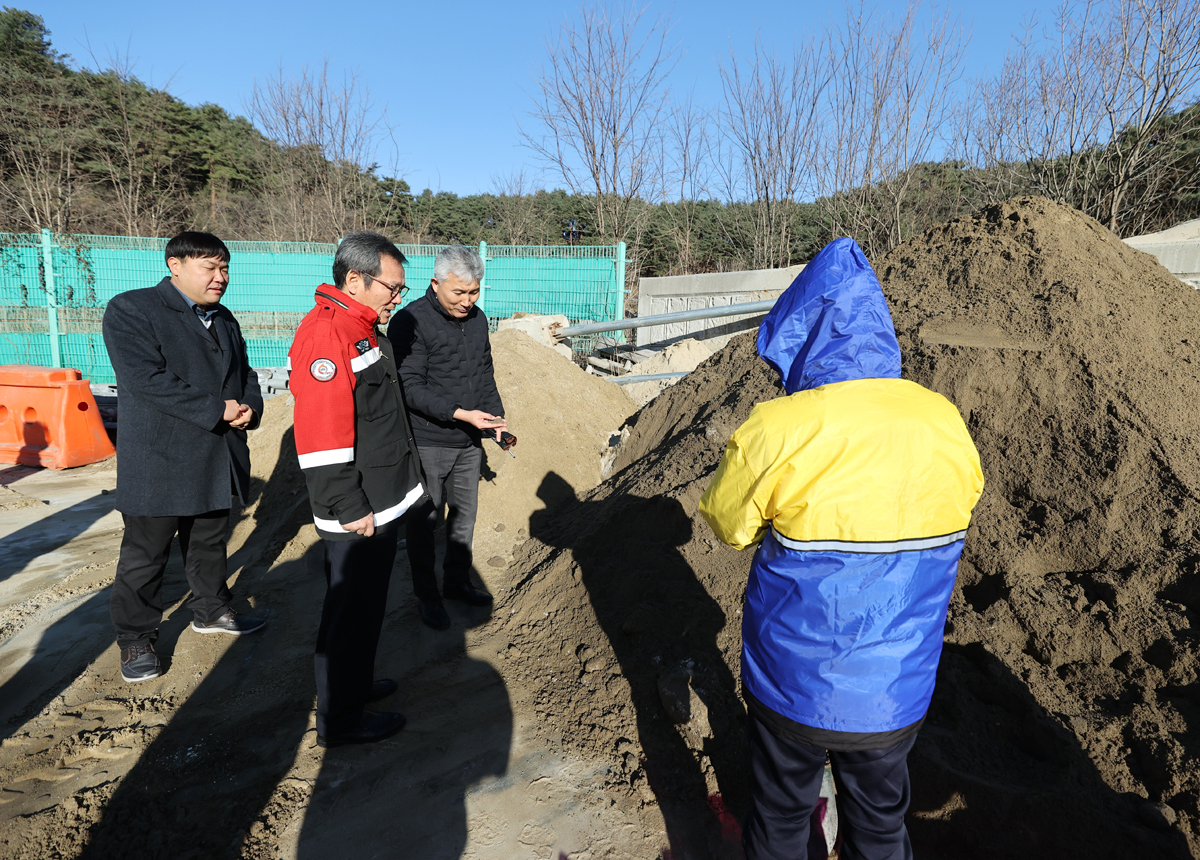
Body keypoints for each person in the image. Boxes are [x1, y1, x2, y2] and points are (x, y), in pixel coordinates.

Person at [699, 238, 984, 860]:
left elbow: (727, 524)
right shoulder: (943, 420)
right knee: (882, 826)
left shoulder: (779, 425)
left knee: (779, 817)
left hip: (790, 681)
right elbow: (963, 505)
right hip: (895, 688)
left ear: (801, 335)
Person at [102, 231, 266, 684]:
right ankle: (136, 638)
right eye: (209, 268)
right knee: (145, 556)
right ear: (174, 265)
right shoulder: (132, 309)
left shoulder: (223, 317)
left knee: (210, 543)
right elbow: (144, 378)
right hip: (161, 459)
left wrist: (250, 405)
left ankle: (211, 609)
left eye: (225, 269)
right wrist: (217, 409)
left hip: (218, 454)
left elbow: (244, 371)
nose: (221, 278)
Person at [289, 231, 426, 747]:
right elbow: (322, 435)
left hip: (379, 496)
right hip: (357, 507)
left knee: (366, 607)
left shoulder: (358, 325)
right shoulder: (329, 335)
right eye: (390, 288)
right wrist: (348, 505)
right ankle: (341, 721)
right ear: (354, 279)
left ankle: (356, 686)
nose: (397, 298)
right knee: (349, 614)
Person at [389, 244, 505, 631]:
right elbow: (407, 386)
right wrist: (459, 414)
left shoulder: (478, 320)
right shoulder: (410, 321)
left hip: (468, 442)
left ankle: (456, 583)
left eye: (474, 292)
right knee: (425, 521)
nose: (468, 301)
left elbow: (485, 373)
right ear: (435, 283)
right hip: (428, 440)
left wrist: (495, 418)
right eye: (459, 292)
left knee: (464, 518)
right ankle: (428, 596)